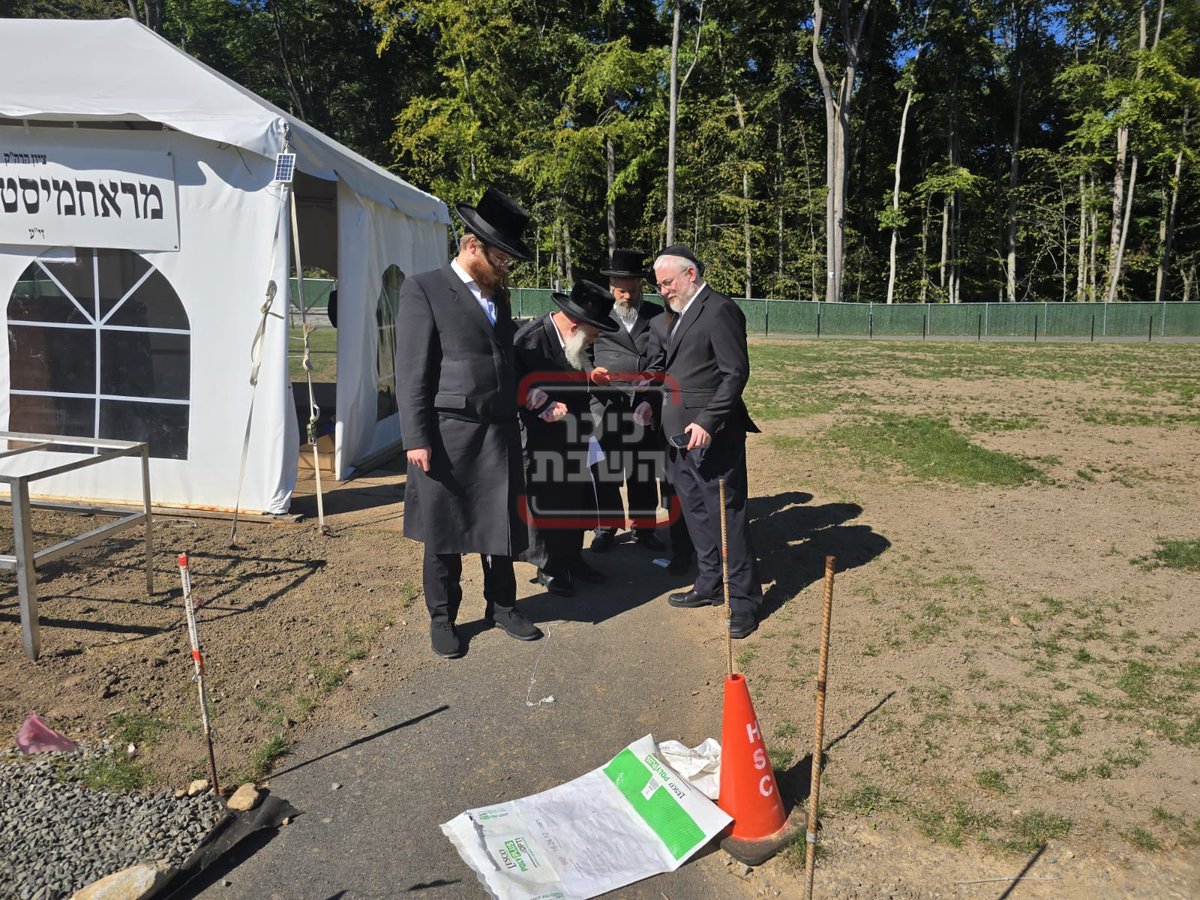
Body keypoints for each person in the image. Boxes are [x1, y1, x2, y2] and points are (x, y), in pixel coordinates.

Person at [396, 187, 543, 659]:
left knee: (498, 525)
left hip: (498, 432)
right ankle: (444, 618)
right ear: (473, 246)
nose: (507, 267)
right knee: (444, 533)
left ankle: (502, 606)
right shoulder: (424, 289)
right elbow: (412, 369)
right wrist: (416, 437)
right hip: (447, 433)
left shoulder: (498, 296)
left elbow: (507, 358)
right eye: (503, 257)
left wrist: (531, 392)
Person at [635, 245, 762, 638]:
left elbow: (734, 374)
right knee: (694, 512)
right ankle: (709, 583)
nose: (663, 291)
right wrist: (649, 404)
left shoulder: (719, 309)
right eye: (658, 285)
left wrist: (708, 420)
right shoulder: (677, 316)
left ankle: (744, 601)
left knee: (727, 516)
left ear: (691, 274)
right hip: (676, 436)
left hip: (713, 436)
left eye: (668, 282)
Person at [515, 279, 619, 597]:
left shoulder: (574, 342)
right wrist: (536, 399)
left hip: (575, 434)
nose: (596, 338)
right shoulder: (529, 340)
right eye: (594, 330)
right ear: (575, 322)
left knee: (576, 502)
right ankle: (549, 567)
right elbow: (510, 384)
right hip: (539, 439)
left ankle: (573, 558)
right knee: (548, 506)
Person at [587, 249, 669, 555]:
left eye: (633, 289)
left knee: (642, 470)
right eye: (621, 289)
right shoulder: (598, 315)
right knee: (604, 471)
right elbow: (581, 353)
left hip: (643, 406)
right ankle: (605, 527)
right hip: (605, 406)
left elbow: (665, 359)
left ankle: (644, 528)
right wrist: (590, 374)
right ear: (611, 286)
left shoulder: (656, 316)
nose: (627, 295)